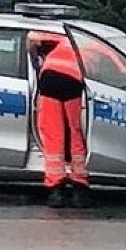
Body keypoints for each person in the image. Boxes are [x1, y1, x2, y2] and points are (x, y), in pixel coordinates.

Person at [28, 32, 90, 208]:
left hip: (50, 82)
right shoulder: (98, 44)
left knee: (53, 135)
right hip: (74, 84)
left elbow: (32, 38)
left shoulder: (61, 37)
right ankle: (80, 187)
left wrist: (35, 59)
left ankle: (55, 190)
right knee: (75, 132)